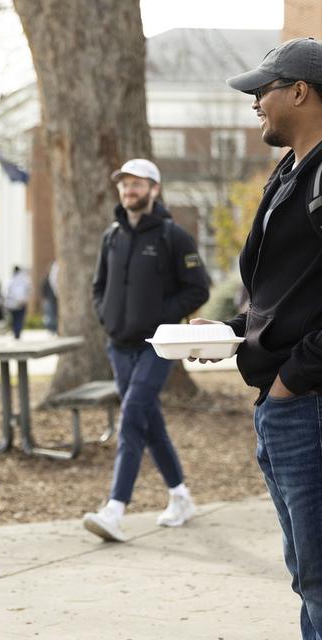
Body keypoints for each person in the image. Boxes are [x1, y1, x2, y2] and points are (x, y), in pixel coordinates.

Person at [195, 38, 322, 640]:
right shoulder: (288, 172)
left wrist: (293, 381)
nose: (254, 103)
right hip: (286, 403)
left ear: (300, 91)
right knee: (307, 573)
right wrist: (228, 333)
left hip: (310, 401)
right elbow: (287, 293)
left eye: (262, 90)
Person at [83, 158, 210, 542]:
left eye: (137, 184)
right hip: (118, 347)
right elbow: (98, 287)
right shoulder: (112, 236)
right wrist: (107, 317)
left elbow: (198, 288)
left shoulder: (174, 236)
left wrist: (161, 319)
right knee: (149, 422)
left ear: (154, 189)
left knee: (132, 417)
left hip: (157, 347)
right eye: (124, 184)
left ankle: (115, 509)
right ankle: (180, 495)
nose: (129, 190)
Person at [5, 265, 32, 339]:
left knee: (14, 318)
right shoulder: (25, 279)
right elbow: (29, 289)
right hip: (22, 302)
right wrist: (26, 298)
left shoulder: (11, 279)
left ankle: (15, 332)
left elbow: (7, 291)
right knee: (20, 318)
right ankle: (18, 331)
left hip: (13, 303)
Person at [41, 261, 58, 334]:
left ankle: (54, 328)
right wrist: (44, 299)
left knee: (54, 314)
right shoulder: (46, 280)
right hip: (49, 299)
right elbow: (43, 290)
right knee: (50, 315)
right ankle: (51, 329)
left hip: (55, 299)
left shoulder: (54, 279)